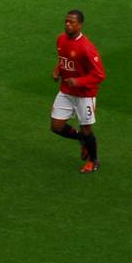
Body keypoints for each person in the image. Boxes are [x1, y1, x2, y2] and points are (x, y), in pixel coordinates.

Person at [49, 10, 106, 173]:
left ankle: (93, 160)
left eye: (72, 22)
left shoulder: (86, 48)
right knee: (56, 126)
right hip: (66, 91)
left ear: (80, 25)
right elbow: (64, 60)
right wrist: (57, 70)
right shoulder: (61, 39)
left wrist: (78, 81)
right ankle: (83, 140)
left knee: (86, 129)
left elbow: (99, 74)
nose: (68, 24)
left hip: (85, 95)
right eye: (66, 21)